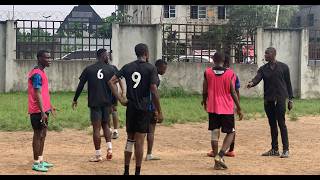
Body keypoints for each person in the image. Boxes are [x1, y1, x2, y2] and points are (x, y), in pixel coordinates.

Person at [108, 43, 163, 175]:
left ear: (136, 53)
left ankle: (126, 171)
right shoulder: (151, 68)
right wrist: (159, 111)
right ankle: (137, 172)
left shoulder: (128, 67)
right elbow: (154, 90)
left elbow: (111, 81)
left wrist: (120, 99)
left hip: (131, 107)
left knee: (130, 139)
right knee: (140, 141)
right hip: (144, 109)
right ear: (146, 53)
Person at [247, 47, 293, 158]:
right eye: (265, 53)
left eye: (267, 53)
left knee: (281, 124)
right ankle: (274, 149)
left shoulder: (284, 67)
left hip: (280, 100)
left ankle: (286, 150)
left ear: (273, 54)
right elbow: (257, 78)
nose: (265, 55)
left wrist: (290, 99)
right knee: (272, 125)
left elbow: (288, 83)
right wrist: (251, 83)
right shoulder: (263, 69)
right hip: (268, 101)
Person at [72, 49, 116, 162]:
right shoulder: (111, 69)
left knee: (96, 128)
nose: (108, 57)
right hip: (107, 102)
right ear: (103, 56)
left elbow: (81, 85)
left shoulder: (89, 69)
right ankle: (110, 149)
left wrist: (75, 99)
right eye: (107, 55)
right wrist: (114, 101)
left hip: (95, 102)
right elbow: (115, 86)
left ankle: (98, 155)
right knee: (106, 125)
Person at [201, 52, 243, 170]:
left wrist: (204, 101)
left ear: (213, 60)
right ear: (224, 60)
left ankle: (216, 163)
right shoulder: (230, 74)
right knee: (231, 132)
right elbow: (233, 91)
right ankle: (220, 155)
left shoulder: (207, 72)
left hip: (213, 107)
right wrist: (239, 108)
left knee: (214, 132)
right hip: (226, 108)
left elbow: (204, 90)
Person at [28, 50, 55, 172]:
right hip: (37, 110)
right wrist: (42, 111)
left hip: (43, 109)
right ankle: (36, 163)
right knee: (38, 135)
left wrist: (50, 106)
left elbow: (43, 93)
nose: (50, 60)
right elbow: (37, 93)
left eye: (50, 58)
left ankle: (40, 160)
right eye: (47, 58)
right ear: (39, 58)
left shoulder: (41, 72)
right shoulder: (37, 74)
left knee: (43, 135)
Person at [145, 59, 167, 161]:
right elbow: (153, 94)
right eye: (164, 68)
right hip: (150, 107)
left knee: (139, 131)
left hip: (141, 106)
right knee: (151, 131)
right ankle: (149, 154)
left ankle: (136, 154)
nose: (165, 71)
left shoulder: (147, 74)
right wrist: (157, 110)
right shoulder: (155, 78)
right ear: (158, 67)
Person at [106, 52, 125, 139]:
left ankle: (115, 131)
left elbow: (120, 79)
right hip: (105, 92)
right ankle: (109, 130)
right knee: (108, 111)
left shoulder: (113, 68)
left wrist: (122, 90)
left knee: (113, 110)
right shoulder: (104, 68)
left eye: (108, 56)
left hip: (112, 92)